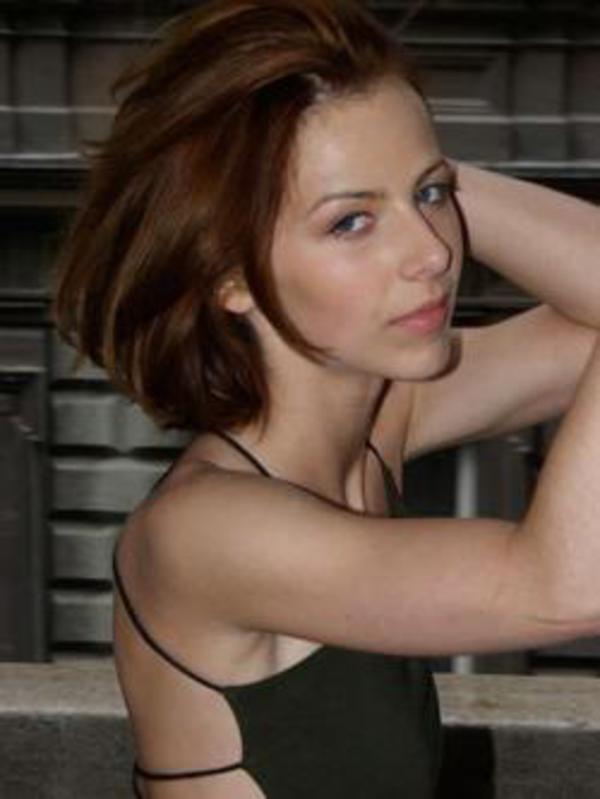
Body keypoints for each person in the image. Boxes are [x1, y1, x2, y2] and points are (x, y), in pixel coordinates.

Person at [53, 1, 600, 796]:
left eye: (433, 198)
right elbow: (566, 590)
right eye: (350, 224)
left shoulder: (383, 416)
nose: (430, 253)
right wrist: (401, 170)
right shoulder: (204, 532)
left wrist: (397, 158)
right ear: (231, 276)